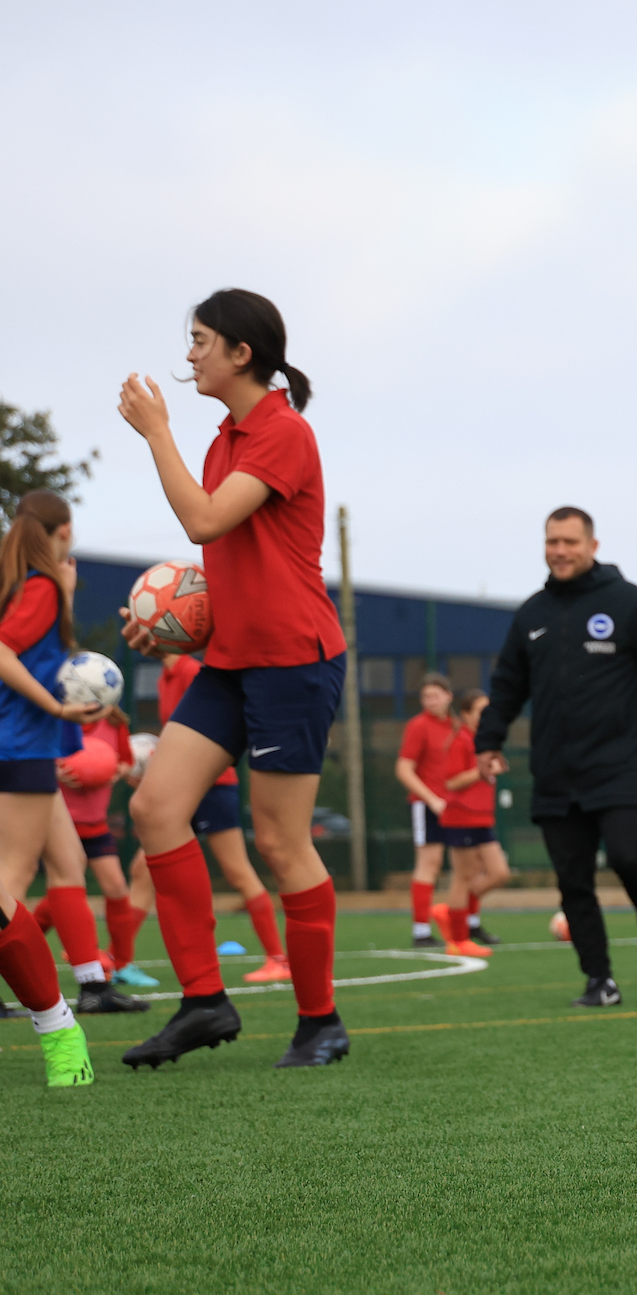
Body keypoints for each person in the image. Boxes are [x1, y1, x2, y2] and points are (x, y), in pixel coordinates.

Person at [115, 289, 353, 1070]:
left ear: (241, 353)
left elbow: (205, 522)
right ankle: (204, 1003)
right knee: (154, 808)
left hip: (293, 662)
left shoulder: (283, 431)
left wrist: (157, 434)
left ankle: (320, 1022)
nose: (190, 355)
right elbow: (236, 563)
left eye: (201, 341)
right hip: (232, 660)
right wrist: (171, 625)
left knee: (282, 843)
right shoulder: (225, 440)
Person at [476, 507, 637, 1006]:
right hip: (556, 771)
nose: (560, 551)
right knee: (572, 881)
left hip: (620, 764)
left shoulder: (629, 602)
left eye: (570, 542)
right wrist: (488, 742)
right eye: (552, 541)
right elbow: (507, 686)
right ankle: (600, 980)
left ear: (592, 546)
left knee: (628, 856)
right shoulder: (532, 614)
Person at [0, 489, 100, 1085]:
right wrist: (58, 709)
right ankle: (57, 1021)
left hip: (27, 747)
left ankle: (93, 981)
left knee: (69, 863)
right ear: (62, 532)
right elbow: (3, 652)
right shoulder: (38, 587)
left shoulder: (31, 586)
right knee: (8, 883)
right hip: (20, 746)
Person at [157, 651, 289, 982]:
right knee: (145, 869)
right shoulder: (164, 677)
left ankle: (278, 959)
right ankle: (120, 960)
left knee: (237, 871)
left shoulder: (192, 671)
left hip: (213, 784)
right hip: (182, 783)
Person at [47, 704, 157, 1009]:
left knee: (116, 888)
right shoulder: (54, 715)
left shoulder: (114, 723)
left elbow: (126, 762)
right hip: (59, 821)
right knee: (62, 887)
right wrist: (54, 770)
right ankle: (20, 948)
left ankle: (120, 963)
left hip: (95, 823)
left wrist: (109, 769)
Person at [434, 688, 506, 956]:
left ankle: (451, 911)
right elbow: (452, 782)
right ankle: (458, 940)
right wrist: (482, 770)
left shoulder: (482, 740)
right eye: (480, 712)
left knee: (499, 873)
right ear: (465, 714)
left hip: (481, 817)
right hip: (461, 816)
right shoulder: (460, 740)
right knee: (463, 877)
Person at [395, 673, 458, 948]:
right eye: (425, 696)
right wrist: (431, 799)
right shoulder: (418, 726)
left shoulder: (456, 726)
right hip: (427, 805)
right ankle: (421, 930)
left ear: (449, 696)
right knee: (429, 864)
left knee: (468, 864)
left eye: (435, 695)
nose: (430, 701)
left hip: (456, 806)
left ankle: (465, 923)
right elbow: (403, 769)